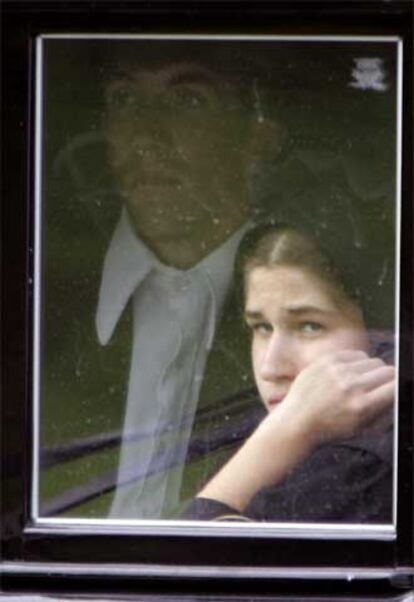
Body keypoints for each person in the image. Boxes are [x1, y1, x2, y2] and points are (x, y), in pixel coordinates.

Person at [184, 224, 395, 522]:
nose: (271, 368)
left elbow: (184, 560)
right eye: (262, 327)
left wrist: (283, 433)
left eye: (310, 326)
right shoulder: (252, 438)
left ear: (378, 333)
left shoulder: (361, 472)